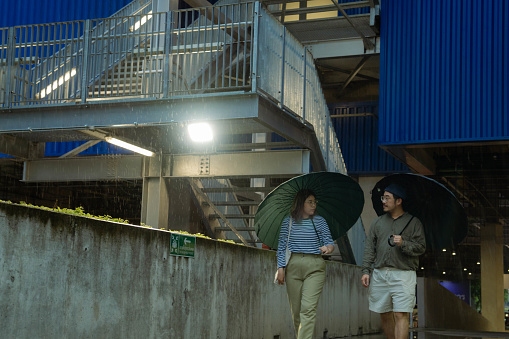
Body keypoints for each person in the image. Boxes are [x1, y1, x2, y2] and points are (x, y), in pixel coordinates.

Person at [361, 184, 426, 339]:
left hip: (404, 274)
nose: (383, 201)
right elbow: (370, 247)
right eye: (383, 197)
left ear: (398, 201)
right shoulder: (377, 223)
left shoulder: (414, 222)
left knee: (400, 314)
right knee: (384, 314)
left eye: (387, 198)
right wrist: (365, 270)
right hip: (380, 274)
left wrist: (403, 243)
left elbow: (421, 247)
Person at [276, 189, 334, 339]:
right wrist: (280, 268)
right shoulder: (288, 221)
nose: (314, 205)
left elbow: (329, 242)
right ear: (301, 203)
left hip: (314, 266)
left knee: (308, 309)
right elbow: (281, 247)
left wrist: (327, 248)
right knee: (296, 312)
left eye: (315, 202)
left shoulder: (320, 221)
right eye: (310, 202)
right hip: (293, 266)